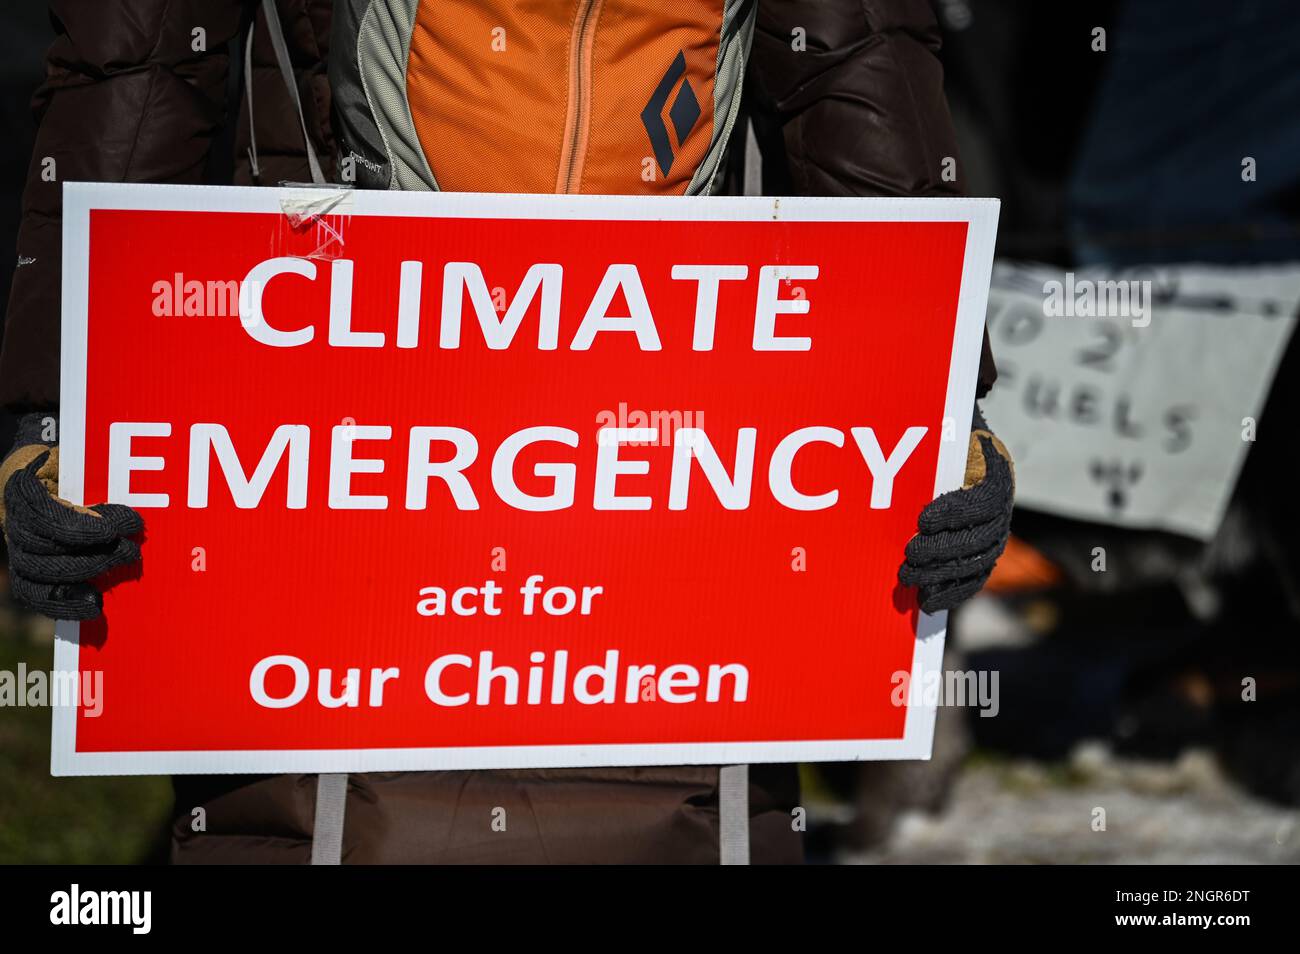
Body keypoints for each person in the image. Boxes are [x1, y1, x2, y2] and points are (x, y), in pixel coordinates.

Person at [0, 0, 1014, 864]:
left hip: (668, 447)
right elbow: (136, 60)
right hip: (345, 430)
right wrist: (58, 408)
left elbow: (855, 54)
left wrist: (935, 413)